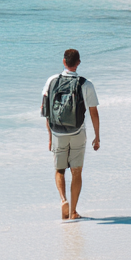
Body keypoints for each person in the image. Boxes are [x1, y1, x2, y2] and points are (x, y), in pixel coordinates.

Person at [41, 48, 100, 220]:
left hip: (57, 132)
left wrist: (50, 137)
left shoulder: (51, 81)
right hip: (78, 131)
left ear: (64, 62)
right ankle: (73, 211)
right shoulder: (86, 83)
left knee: (59, 169)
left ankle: (63, 200)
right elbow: (94, 112)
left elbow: (45, 110)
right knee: (76, 171)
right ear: (79, 62)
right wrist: (97, 137)